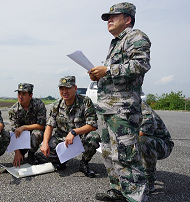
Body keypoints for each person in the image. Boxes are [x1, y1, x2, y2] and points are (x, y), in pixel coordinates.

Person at [89, 2, 151, 201]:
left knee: (127, 155)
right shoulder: (116, 42)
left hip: (123, 109)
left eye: (114, 16)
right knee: (109, 153)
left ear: (128, 19)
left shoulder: (136, 37)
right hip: (109, 109)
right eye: (108, 17)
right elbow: (117, 74)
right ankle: (119, 190)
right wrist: (99, 75)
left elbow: (140, 65)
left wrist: (107, 70)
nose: (109, 20)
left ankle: (135, 197)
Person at [35, 76, 100, 178]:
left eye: (67, 88)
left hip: (79, 137)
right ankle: (61, 160)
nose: (64, 91)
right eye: (61, 88)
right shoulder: (56, 105)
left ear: (75, 88)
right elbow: (50, 125)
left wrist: (74, 132)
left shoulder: (85, 102)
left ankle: (84, 163)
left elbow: (92, 125)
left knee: (94, 137)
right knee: (42, 154)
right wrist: (45, 143)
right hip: (61, 139)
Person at [8, 83, 46, 167]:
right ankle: (22, 152)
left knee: (37, 133)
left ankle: (31, 154)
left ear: (30, 95)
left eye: (24, 94)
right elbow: (14, 131)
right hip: (22, 135)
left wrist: (24, 127)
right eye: (19, 93)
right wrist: (17, 152)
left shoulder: (39, 104)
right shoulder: (13, 110)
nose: (20, 96)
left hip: (34, 133)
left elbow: (41, 125)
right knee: (9, 133)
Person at [139, 101, 174, 193]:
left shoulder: (138, 103)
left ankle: (148, 182)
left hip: (162, 145)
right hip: (140, 140)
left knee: (143, 141)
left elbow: (146, 129)